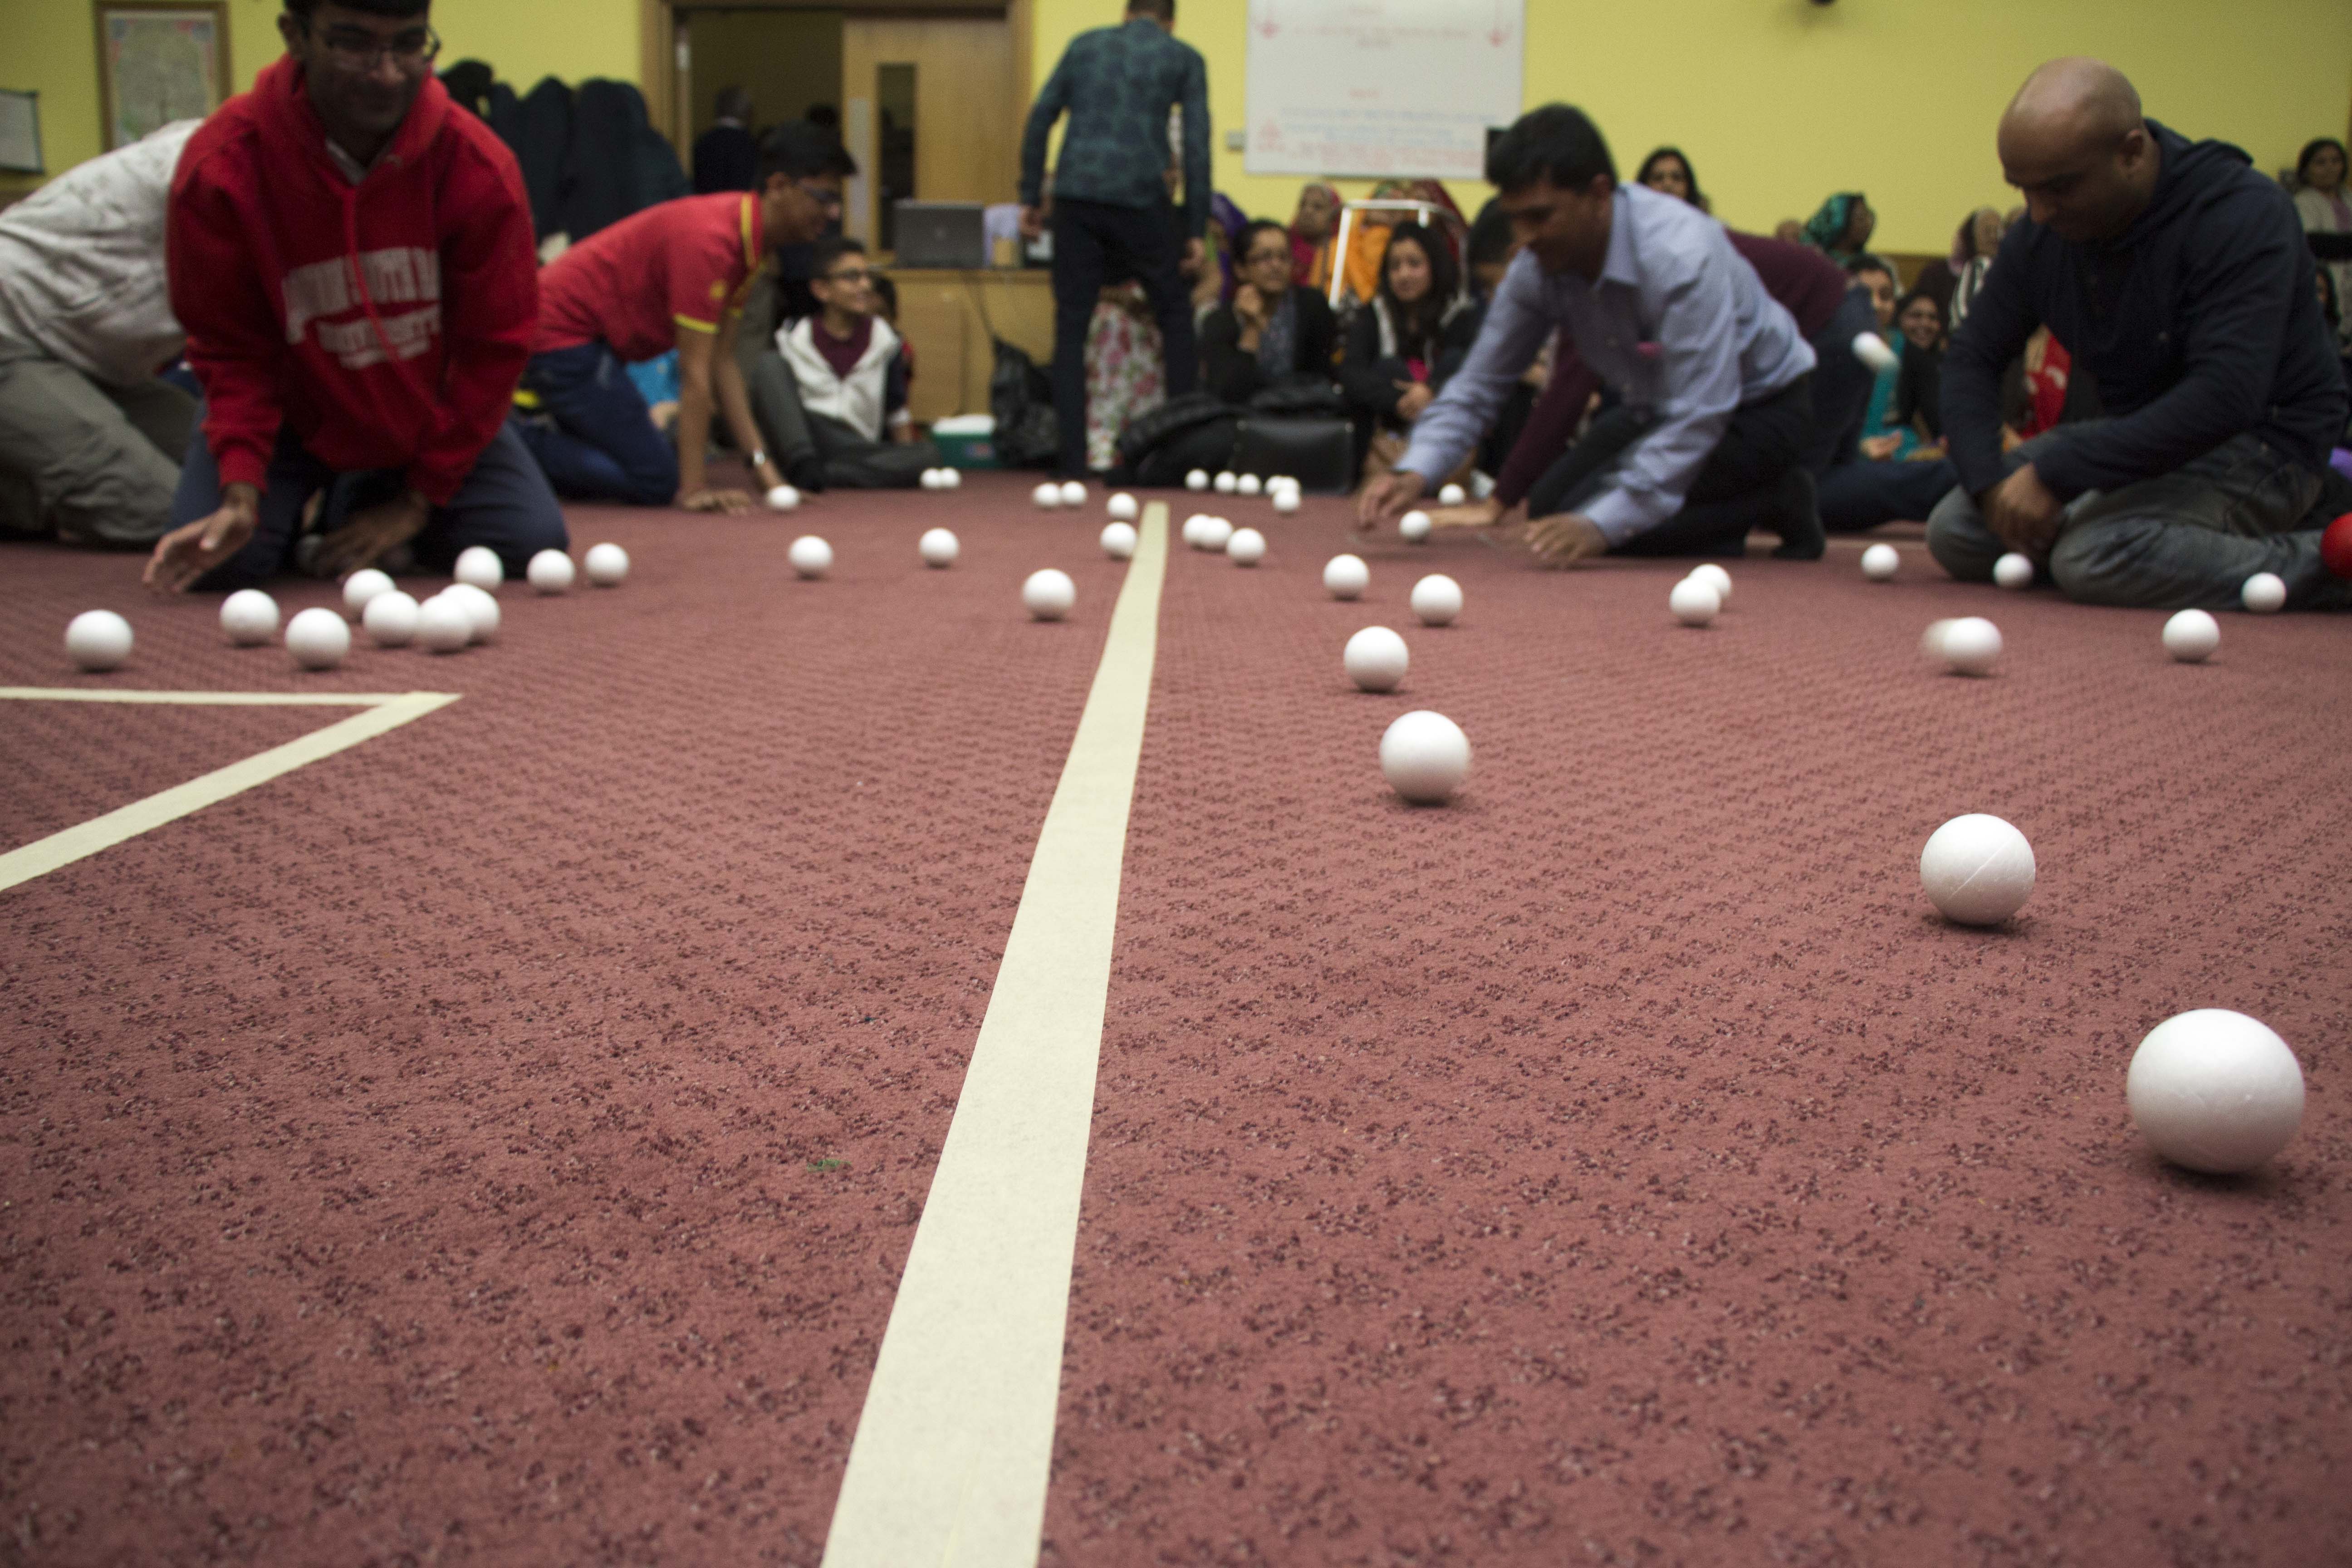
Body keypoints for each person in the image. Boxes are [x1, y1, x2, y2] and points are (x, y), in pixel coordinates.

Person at [146, 0, 566, 593]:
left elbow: (493, 350)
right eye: (354, 44)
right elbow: (229, 348)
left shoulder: (477, 167)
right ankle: (325, 501)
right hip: (291, 415)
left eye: (408, 44)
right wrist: (241, 484)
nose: (387, 72)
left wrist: (418, 501)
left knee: (529, 540)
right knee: (227, 561)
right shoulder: (223, 167)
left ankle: (365, 494)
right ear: (295, 34)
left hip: (421, 411)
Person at [1927, 58, 2350, 609]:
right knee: (1956, 530)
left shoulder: (2241, 213)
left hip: (2263, 441)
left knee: (2094, 556)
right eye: (2022, 190)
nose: (2037, 212)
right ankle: (2166, 544)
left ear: (2130, 152)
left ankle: (2328, 562)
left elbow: (2227, 395)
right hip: (2136, 435)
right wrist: (1989, 482)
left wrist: (2055, 474)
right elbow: (1972, 358)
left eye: (2058, 188)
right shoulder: (2042, 232)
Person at [1359, 104, 1822, 563]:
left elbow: (1701, 411)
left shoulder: (1680, 257)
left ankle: (1775, 493)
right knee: (1552, 510)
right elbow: (1481, 383)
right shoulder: (1536, 267)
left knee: (1622, 526)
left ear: (1599, 195)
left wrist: (1604, 526)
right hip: (1655, 406)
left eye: (1540, 217)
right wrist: (1415, 471)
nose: (1524, 237)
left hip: (1760, 409)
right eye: (1515, 217)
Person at [518, 120, 850, 511]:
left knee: (638, 459)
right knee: (656, 479)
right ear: (779, 187)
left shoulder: (751, 246)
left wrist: (768, 476)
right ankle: (515, 440)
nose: (831, 213)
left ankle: (541, 433)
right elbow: (696, 374)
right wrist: (693, 488)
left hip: (595, 345)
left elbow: (724, 364)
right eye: (823, 198)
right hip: (557, 333)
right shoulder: (712, 241)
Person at [1019, 0, 1208, 478]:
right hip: (1143, 197)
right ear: (1170, 20)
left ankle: (1073, 461)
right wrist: (1195, 228)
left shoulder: (1084, 46)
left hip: (1076, 194)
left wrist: (1029, 198)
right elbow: (1198, 145)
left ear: (1127, 13)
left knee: (1071, 325)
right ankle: (1180, 454)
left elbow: (1040, 118)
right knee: (1174, 316)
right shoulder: (1182, 56)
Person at [0, 120, 201, 550]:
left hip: (96, 362)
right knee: (174, 513)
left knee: (249, 480)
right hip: (9, 329)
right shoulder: (224, 153)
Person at [744, 236, 938, 490]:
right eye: (852, 277)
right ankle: (805, 463)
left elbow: (896, 411)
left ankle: (825, 474)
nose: (866, 286)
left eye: (867, 276)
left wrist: (907, 461)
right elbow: (775, 406)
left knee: (928, 456)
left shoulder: (886, 341)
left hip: (855, 445)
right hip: (806, 435)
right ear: (821, 290)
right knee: (768, 365)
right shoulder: (792, 338)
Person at [1338, 222, 1477, 471]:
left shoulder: (1459, 313)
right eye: (1395, 267)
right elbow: (1351, 373)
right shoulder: (1374, 313)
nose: (1403, 275)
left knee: (1456, 360)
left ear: (1434, 266)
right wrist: (1399, 400)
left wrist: (1431, 392)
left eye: (1414, 264)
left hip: (1443, 426)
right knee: (1387, 368)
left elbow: (1474, 370)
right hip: (1391, 426)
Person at [1199, 218, 1339, 403]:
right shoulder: (1220, 320)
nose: (1276, 266)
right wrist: (1251, 328)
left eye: (1284, 257)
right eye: (1265, 258)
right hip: (1245, 418)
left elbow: (1320, 375)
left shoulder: (1312, 306)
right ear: (1241, 269)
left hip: (1302, 412)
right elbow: (1227, 393)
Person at [2292, 138, 2352, 352]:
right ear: (2306, 170)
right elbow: (2312, 244)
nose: (2330, 168)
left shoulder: (2349, 199)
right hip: (2326, 288)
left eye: (2336, 161)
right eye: (2321, 162)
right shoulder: (2302, 202)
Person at [1911, 207, 2003, 323]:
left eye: (1998, 231)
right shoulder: (1936, 274)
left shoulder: (2007, 274)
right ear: (1970, 236)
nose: (1993, 237)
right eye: (1987, 231)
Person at [1889, 289, 1948, 448]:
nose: (1925, 324)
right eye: (1916, 316)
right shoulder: (1886, 362)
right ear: (1898, 318)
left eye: (1933, 318)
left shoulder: (1947, 366)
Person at [692, 86, 758, 194]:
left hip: (707, 207)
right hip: (739, 208)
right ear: (748, 112)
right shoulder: (749, 144)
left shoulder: (702, 142)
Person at [1801, 192, 1876, 265]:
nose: (1867, 225)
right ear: (1840, 220)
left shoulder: (1870, 266)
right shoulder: (1815, 261)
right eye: (1861, 219)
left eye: (1869, 217)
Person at [1290, 181, 1341, 289]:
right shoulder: (1286, 249)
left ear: (1335, 216)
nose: (1307, 211)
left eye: (1318, 207)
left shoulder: (1343, 254)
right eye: (1303, 205)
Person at [1636, 147, 1708, 213]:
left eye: (1677, 178)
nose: (1668, 184)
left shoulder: (1707, 226)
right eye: (1658, 178)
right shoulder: (1628, 225)